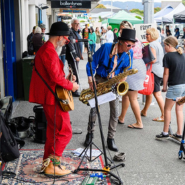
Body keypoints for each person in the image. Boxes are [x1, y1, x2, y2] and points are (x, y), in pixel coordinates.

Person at [29, 22, 79, 176]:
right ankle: (53, 165)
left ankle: (47, 162)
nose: (67, 41)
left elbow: (53, 75)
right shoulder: (49, 52)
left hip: (50, 95)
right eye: (66, 38)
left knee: (53, 131)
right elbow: (55, 77)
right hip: (52, 97)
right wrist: (72, 86)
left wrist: (68, 78)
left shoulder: (47, 49)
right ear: (59, 37)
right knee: (65, 131)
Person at [84, 29, 136, 151]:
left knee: (115, 112)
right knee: (94, 109)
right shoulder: (106, 47)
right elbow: (92, 63)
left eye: (133, 45)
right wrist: (91, 80)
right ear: (121, 42)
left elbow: (127, 69)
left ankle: (110, 138)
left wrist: (122, 79)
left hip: (115, 83)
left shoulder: (130, 53)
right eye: (129, 45)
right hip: (101, 80)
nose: (131, 48)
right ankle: (90, 134)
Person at [155, 36, 185, 141]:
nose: (164, 47)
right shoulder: (181, 54)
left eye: (164, 45)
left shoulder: (168, 56)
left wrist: (164, 86)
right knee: (179, 109)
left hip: (175, 85)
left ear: (169, 45)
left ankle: (165, 132)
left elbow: (166, 73)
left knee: (167, 109)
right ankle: (179, 133)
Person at [118, 22, 146, 129]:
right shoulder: (137, 39)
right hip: (140, 65)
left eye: (122, 29)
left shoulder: (126, 41)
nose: (120, 31)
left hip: (132, 67)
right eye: (120, 29)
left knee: (133, 97)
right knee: (126, 94)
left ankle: (139, 122)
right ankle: (122, 117)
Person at [141, 28, 165, 122]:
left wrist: (143, 60)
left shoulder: (151, 45)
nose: (146, 35)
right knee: (150, 92)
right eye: (146, 34)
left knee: (157, 93)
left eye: (148, 34)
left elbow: (153, 59)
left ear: (153, 35)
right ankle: (144, 111)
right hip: (159, 70)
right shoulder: (158, 44)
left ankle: (164, 115)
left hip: (154, 71)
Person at [66, 18, 83, 97]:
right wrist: (75, 56)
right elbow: (71, 45)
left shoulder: (76, 32)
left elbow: (78, 45)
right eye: (76, 23)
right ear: (72, 24)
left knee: (74, 72)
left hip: (76, 56)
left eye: (78, 24)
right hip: (72, 57)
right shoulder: (70, 32)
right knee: (74, 73)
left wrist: (80, 54)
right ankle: (74, 90)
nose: (77, 25)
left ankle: (72, 88)